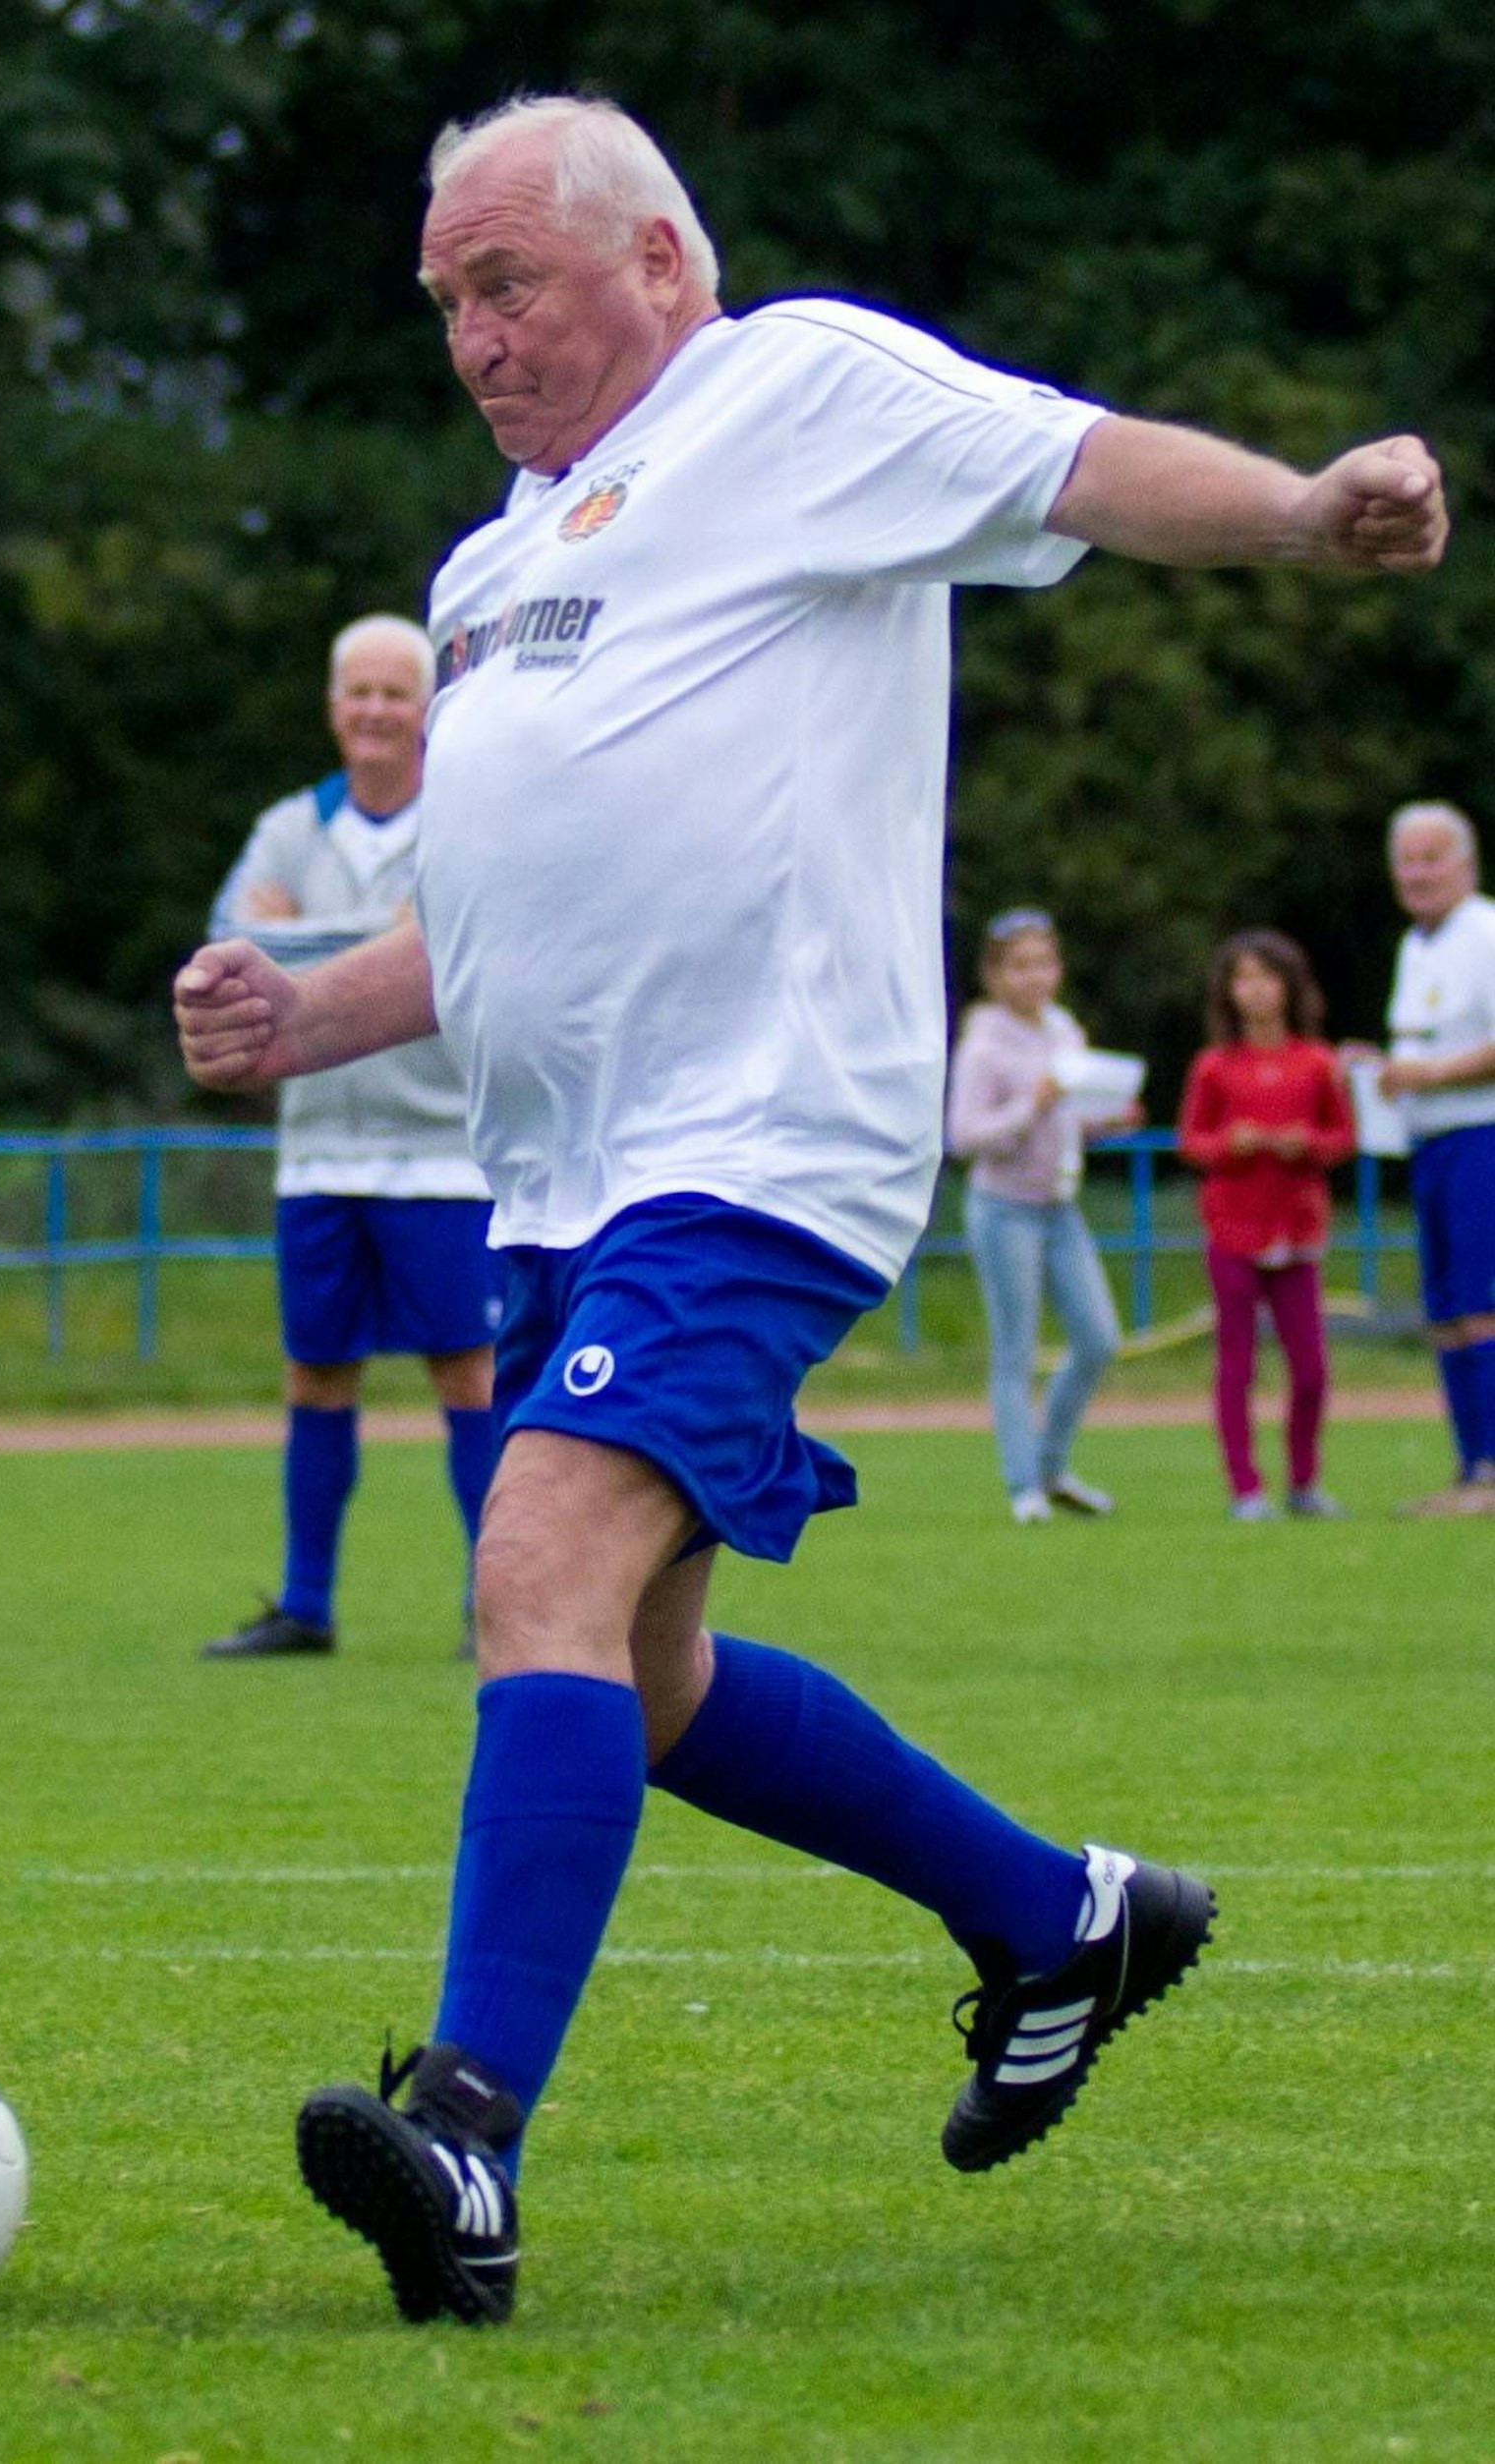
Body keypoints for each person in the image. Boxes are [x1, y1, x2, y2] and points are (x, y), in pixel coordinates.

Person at [173, 94, 1447, 2324]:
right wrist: (311, 1014)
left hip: (756, 1142)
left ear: (658, 259)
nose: (473, 336)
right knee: (638, 1674)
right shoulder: (495, 562)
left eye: (510, 284)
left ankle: (465, 2137)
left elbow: (1074, 463)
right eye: (446, 301)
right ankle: (1055, 1915)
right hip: (560, 1177)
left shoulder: (790, 393)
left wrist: (1300, 512)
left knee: (532, 1560)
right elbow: (499, 924)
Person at [199, 614, 502, 1659]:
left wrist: (308, 943)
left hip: (443, 1154)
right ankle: (304, 1602)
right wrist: (381, 944)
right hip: (318, 1152)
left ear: (428, 707)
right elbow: (231, 950)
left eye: (394, 691)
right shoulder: (288, 827)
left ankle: (495, 1597)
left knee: (467, 1370)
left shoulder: (460, 817)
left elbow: (473, 945)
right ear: (332, 706)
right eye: (357, 691)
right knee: (315, 1370)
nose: (375, 710)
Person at [946, 908, 1126, 1525]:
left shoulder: (1063, 1030)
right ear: (994, 974)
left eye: (1044, 962)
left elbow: (1067, 1118)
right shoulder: (983, 1044)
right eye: (1019, 965)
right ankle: (1024, 1486)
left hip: (1060, 1204)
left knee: (1100, 1338)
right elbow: (965, 1136)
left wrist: (1104, 1116)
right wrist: (1033, 1104)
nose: (1035, 977)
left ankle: (1053, 1466)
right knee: (1015, 1350)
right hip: (1004, 1209)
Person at [1178, 932, 1355, 1520]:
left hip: (1297, 1233)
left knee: (1310, 1368)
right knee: (1238, 1363)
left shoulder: (1318, 1063)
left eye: (1266, 977)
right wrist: (1233, 1142)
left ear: (1289, 985)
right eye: (1243, 979)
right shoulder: (1214, 1067)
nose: (1255, 991)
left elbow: (1343, 1140)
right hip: (1233, 1230)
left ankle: (1304, 1482)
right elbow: (1193, 1142)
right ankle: (1245, 1488)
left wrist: (1307, 1143)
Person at [1369, 802, 1495, 1516]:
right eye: (1407, 860)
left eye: (1431, 857)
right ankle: (1470, 1465)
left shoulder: (1486, 933)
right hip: (1429, 1144)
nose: (1418, 873)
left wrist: (1434, 1075)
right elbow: (1421, 1044)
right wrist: (1384, 1069)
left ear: (1465, 863)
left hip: (1483, 1135)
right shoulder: (1416, 945)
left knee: (1482, 1307)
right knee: (1446, 1310)